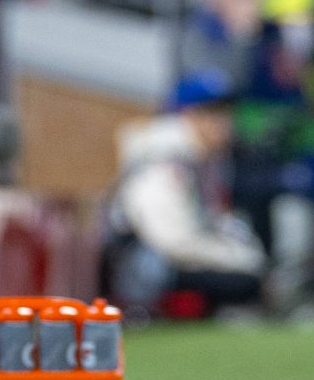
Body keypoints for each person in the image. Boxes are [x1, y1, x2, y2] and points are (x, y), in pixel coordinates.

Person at [105, 70, 269, 314]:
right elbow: (172, 241)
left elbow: (214, 219)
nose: (226, 121)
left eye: (227, 111)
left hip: (181, 256)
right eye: (214, 112)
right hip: (147, 269)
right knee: (244, 281)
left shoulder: (205, 158)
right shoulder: (164, 158)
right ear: (189, 115)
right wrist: (239, 259)